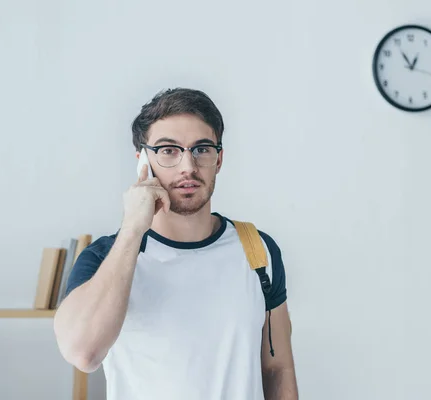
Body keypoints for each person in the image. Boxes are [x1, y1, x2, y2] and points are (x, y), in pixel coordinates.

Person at [53, 88, 298, 400]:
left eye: (202, 149)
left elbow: (278, 369)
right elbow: (83, 353)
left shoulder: (258, 250)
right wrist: (132, 228)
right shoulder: (106, 257)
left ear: (219, 159)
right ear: (142, 159)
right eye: (168, 150)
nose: (188, 167)